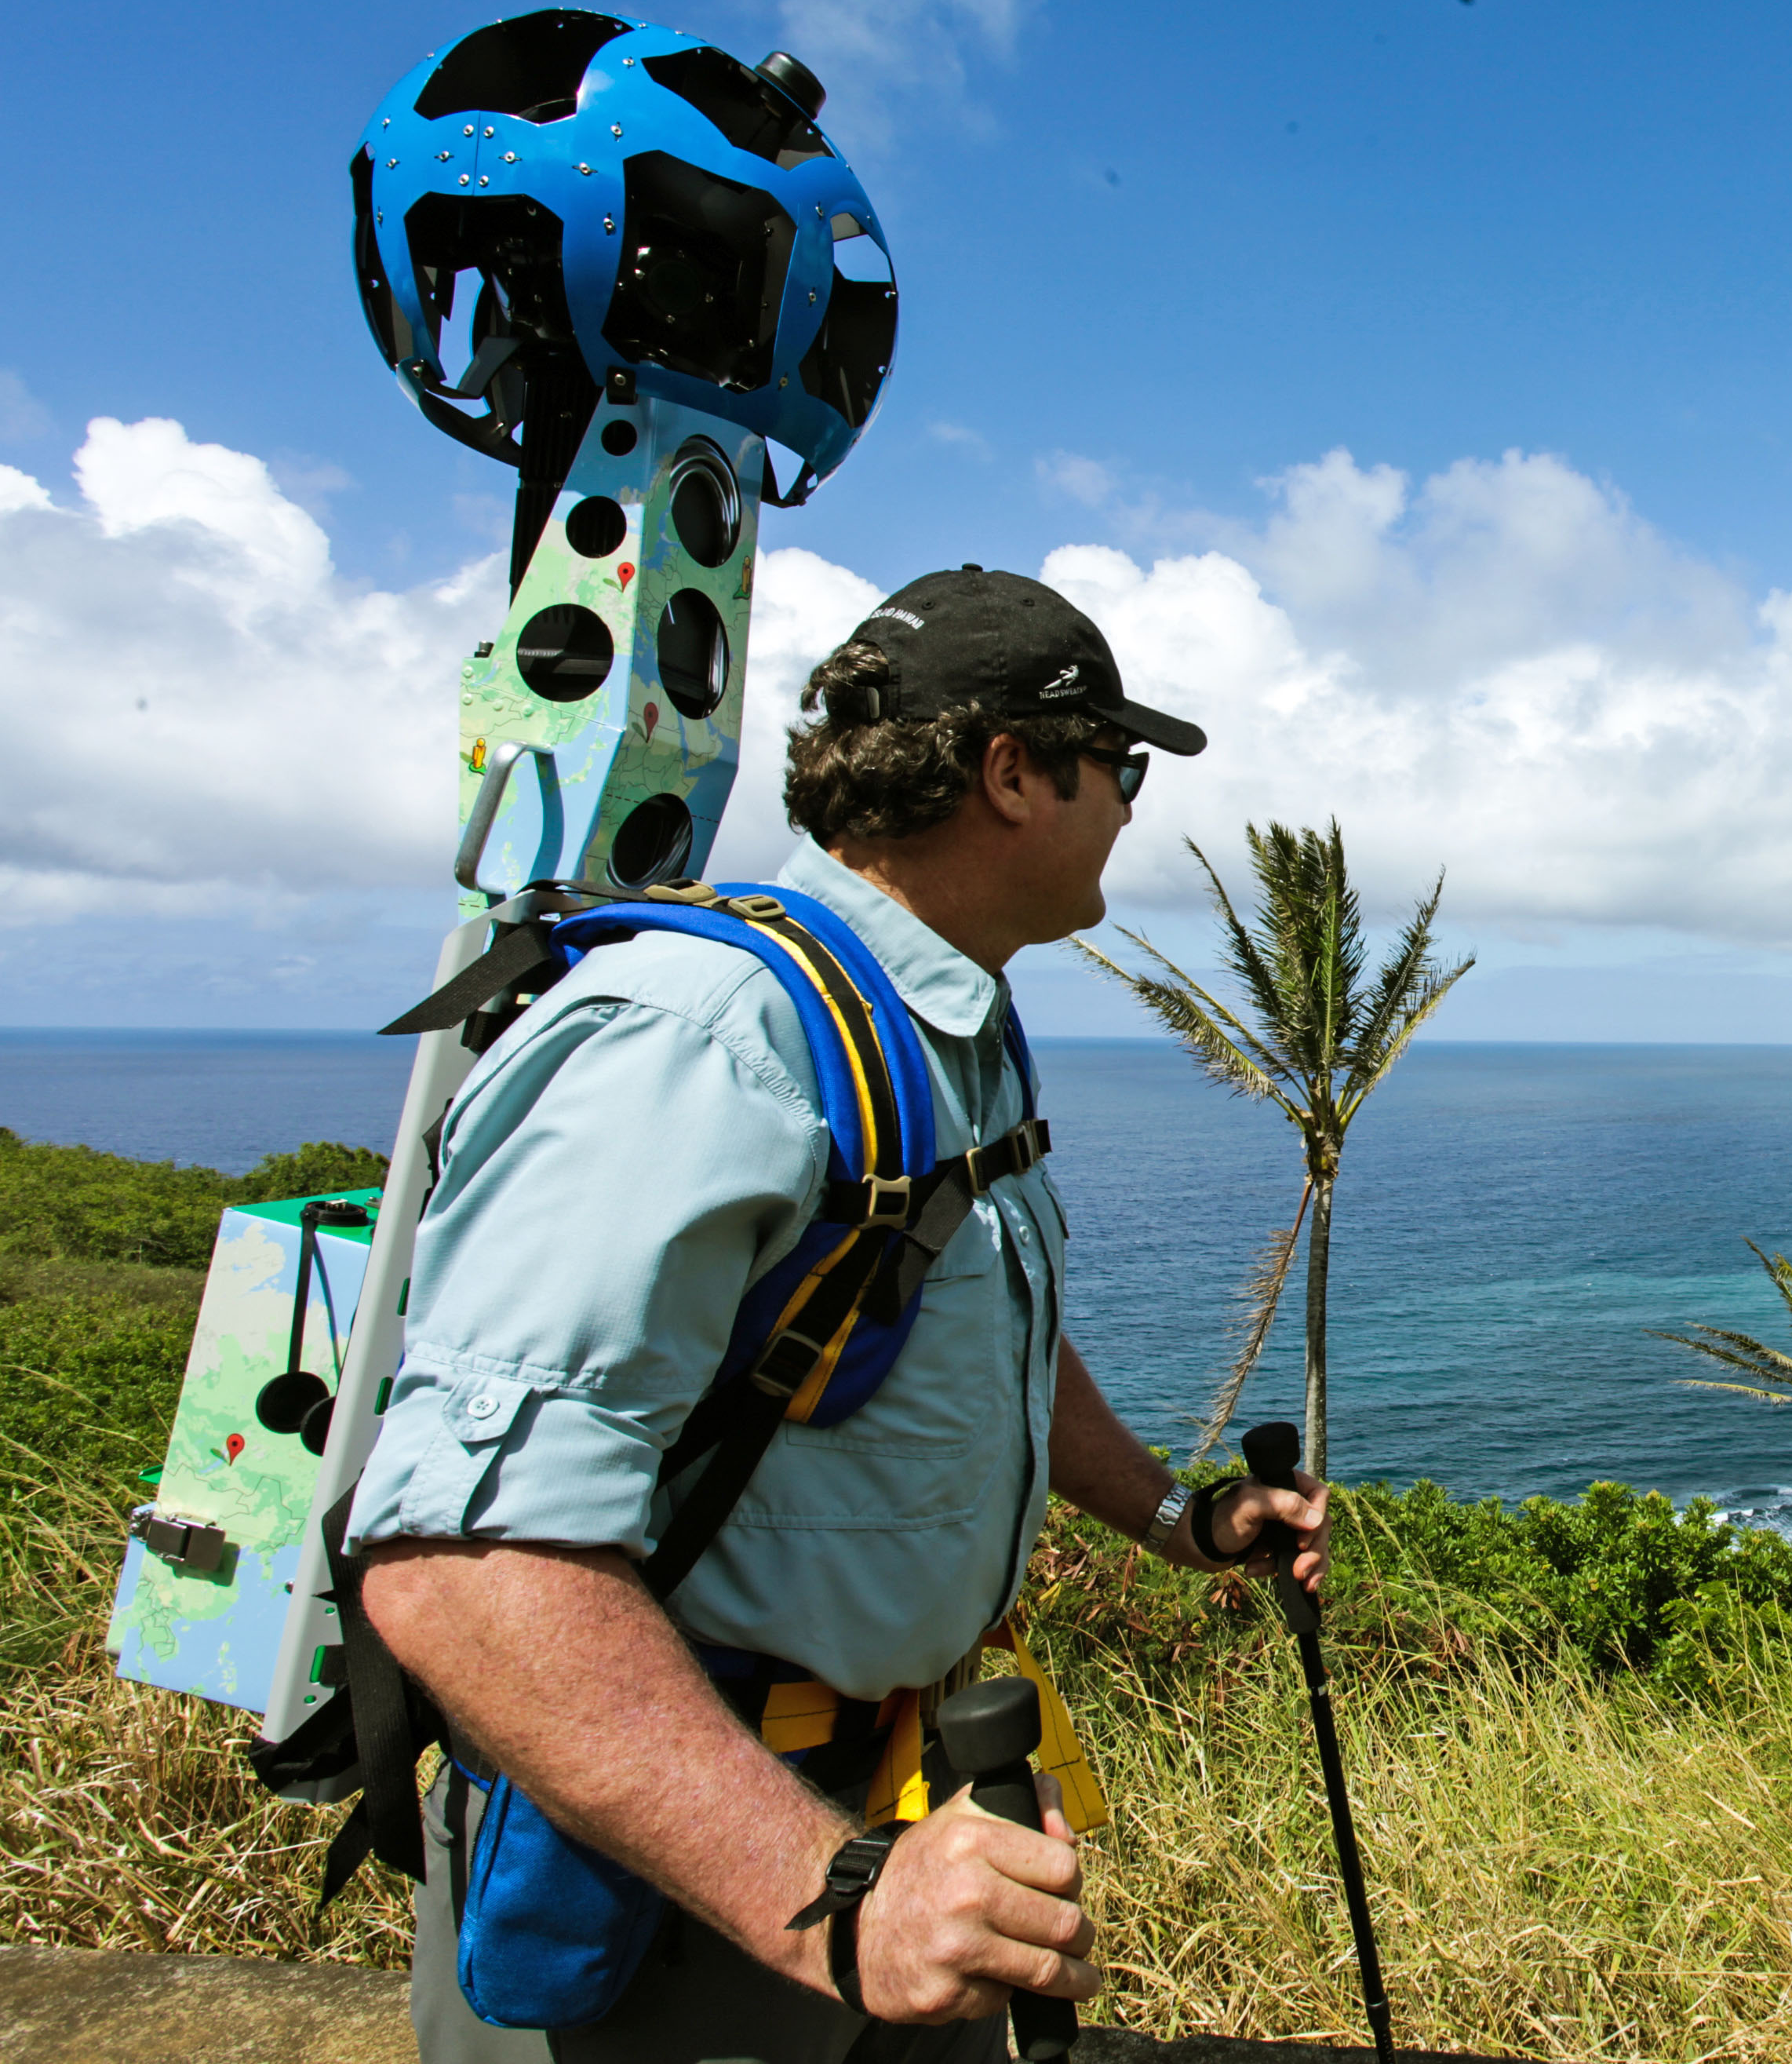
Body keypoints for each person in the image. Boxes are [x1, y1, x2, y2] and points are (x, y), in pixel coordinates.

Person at [348, 566, 1330, 2062]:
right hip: (683, 1868)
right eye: (1116, 766)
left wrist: (1177, 1517)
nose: (1132, 804)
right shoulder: (696, 1036)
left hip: (893, 1818)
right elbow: (467, 1565)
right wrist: (834, 1893)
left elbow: (967, 1317)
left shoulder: (949, 1028)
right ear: (1012, 772)